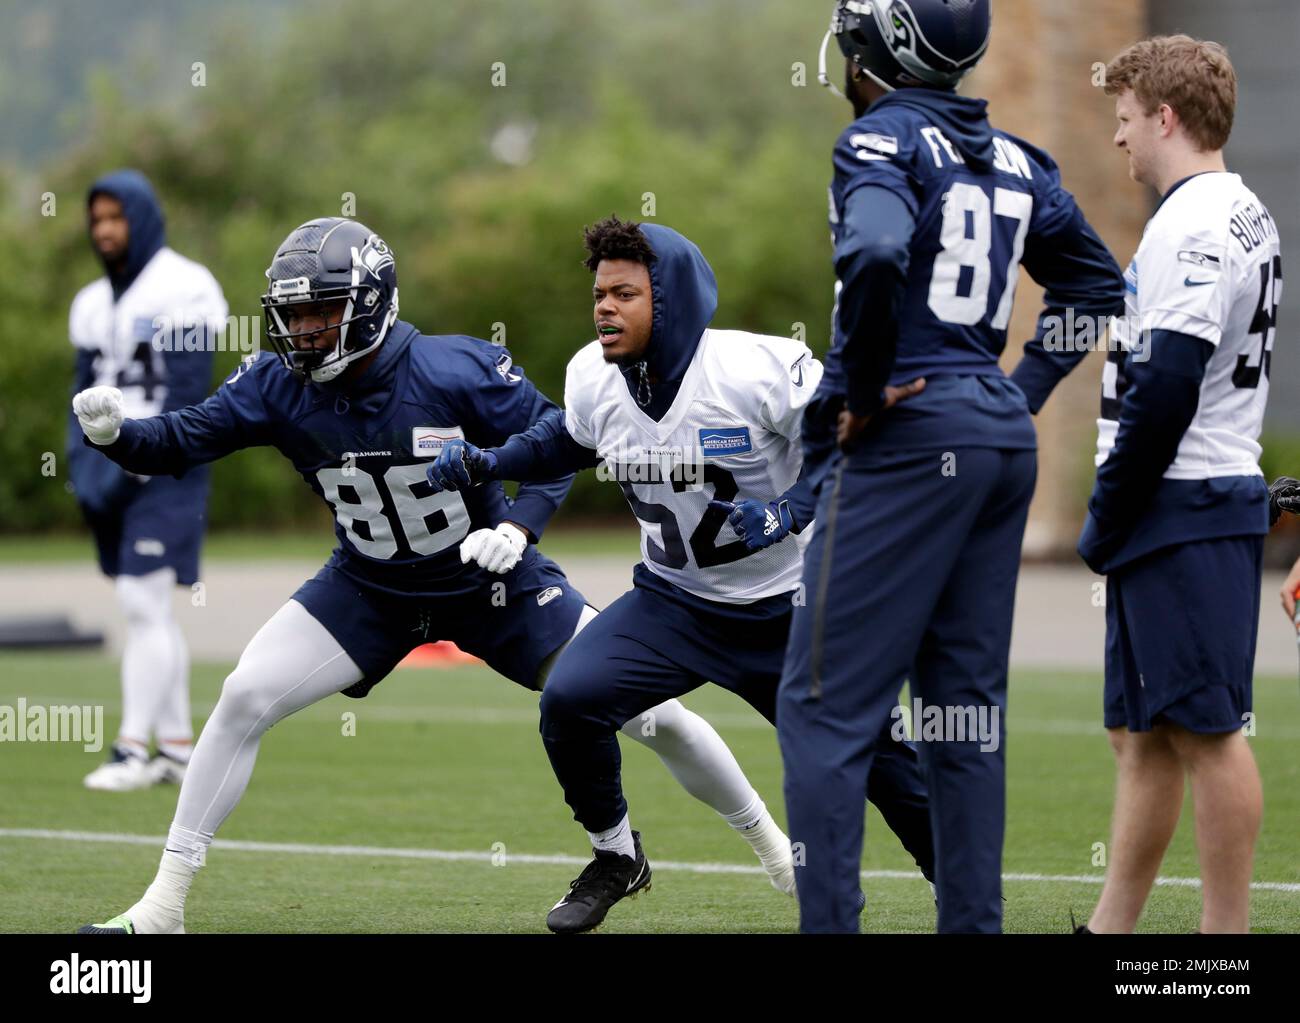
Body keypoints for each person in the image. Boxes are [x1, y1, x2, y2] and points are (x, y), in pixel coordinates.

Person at [72, 217, 793, 933]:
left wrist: (515, 528)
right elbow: (183, 440)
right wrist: (117, 435)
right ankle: (163, 905)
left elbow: (560, 442)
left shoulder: (453, 368)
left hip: (492, 586)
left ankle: (775, 852)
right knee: (242, 695)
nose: (305, 330)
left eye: (322, 311)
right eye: (293, 314)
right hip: (369, 586)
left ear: (372, 303)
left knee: (654, 715)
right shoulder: (275, 385)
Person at [426, 216, 936, 934]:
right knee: (571, 697)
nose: (604, 306)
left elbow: (848, 436)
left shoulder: (756, 368)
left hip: (796, 606)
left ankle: (969, 894)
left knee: (886, 764)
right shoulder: (592, 375)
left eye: (625, 293)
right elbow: (564, 442)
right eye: (600, 292)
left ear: (670, 300)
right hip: (678, 606)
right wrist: (490, 461)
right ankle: (616, 856)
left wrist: (789, 509)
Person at [779, 0, 1126, 933]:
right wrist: (1018, 390)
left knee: (823, 710)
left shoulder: (880, 144)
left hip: (911, 434)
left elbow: (881, 248)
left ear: (872, 49)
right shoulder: (1016, 157)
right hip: (993, 439)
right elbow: (1098, 285)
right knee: (962, 719)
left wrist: (859, 385)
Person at [1076, 36, 1278, 935]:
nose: (1118, 139)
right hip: (1183, 496)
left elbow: (1170, 381)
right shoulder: (1231, 211)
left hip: (1183, 500)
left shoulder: (1198, 220)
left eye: (1124, 119)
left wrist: (1111, 507)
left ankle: (1222, 946)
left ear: (1165, 117)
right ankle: (1112, 932)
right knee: (1143, 732)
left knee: (1207, 731)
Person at [70, 169, 227, 791]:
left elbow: (187, 390)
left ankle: (131, 748)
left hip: (166, 459)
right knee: (148, 608)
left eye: (116, 217)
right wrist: (80, 461)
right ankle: (178, 748)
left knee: (142, 601)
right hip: (108, 461)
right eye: (96, 219)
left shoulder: (184, 286)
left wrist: (151, 452)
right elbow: (79, 393)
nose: (105, 230)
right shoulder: (90, 302)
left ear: (142, 217)